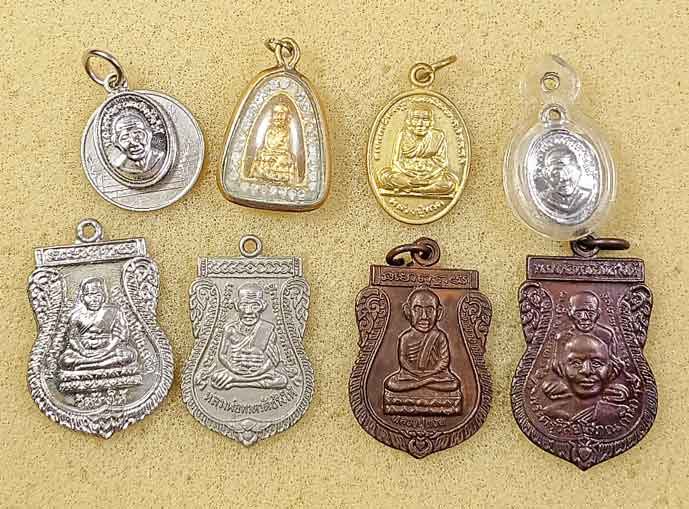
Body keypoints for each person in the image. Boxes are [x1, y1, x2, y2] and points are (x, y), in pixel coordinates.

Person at [539, 332, 630, 425]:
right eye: (576, 363)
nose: (587, 371)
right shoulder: (551, 412)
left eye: (596, 363)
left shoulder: (620, 413)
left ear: (610, 368)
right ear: (562, 367)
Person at [210, 283, 289, 390]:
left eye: (255, 306)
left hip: (259, 373)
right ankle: (242, 380)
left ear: (263, 306)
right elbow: (222, 355)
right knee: (215, 377)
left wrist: (258, 372)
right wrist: (233, 369)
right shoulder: (230, 329)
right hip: (236, 370)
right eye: (244, 305)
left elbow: (272, 361)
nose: (248, 311)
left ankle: (236, 382)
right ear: (237, 305)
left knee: (282, 380)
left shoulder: (267, 329)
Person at [385, 287, 460, 393]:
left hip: (436, 375)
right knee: (391, 383)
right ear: (408, 311)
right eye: (417, 309)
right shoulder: (405, 337)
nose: (424, 316)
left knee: (454, 383)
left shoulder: (439, 336)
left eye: (430, 310)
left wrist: (430, 373)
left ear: (438, 313)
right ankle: (424, 383)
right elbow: (403, 359)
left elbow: (444, 361)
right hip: (410, 375)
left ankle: (419, 384)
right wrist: (416, 373)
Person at [377, 102, 458, 196]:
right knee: (384, 177)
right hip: (407, 176)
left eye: (425, 119)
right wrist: (410, 176)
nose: (420, 124)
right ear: (409, 121)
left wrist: (428, 176)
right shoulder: (403, 135)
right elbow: (396, 162)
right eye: (416, 119)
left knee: (450, 183)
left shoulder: (438, 136)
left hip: (431, 177)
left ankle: (415, 189)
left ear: (431, 122)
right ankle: (421, 188)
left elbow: (442, 163)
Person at [59, 277, 138, 372]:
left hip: (109, 351)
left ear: (104, 296)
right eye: (90, 295)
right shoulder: (76, 315)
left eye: (98, 295)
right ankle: (101, 365)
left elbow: (120, 336)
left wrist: (107, 350)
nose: (94, 299)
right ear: (82, 298)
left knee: (128, 355)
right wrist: (82, 351)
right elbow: (72, 338)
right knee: (65, 360)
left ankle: (86, 366)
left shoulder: (114, 312)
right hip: (84, 353)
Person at [248, 102, 300, 185]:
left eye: (282, 114)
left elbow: (284, 146)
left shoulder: (287, 131)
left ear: (287, 116)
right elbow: (267, 144)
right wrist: (268, 151)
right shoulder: (269, 130)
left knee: (287, 158)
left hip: (281, 155)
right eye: (276, 113)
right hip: (269, 153)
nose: (279, 117)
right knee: (260, 154)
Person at [109, 109, 164, 180]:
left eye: (138, 135)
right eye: (125, 138)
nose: (134, 143)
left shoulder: (160, 157)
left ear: (149, 134)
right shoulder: (119, 165)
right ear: (116, 142)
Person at [538, 145, 591, 215]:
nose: (563, 179)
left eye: (568, 171)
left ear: (578, 171)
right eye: (555, 174)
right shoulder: (544, 198)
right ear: (546, 175)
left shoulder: (585, 196)